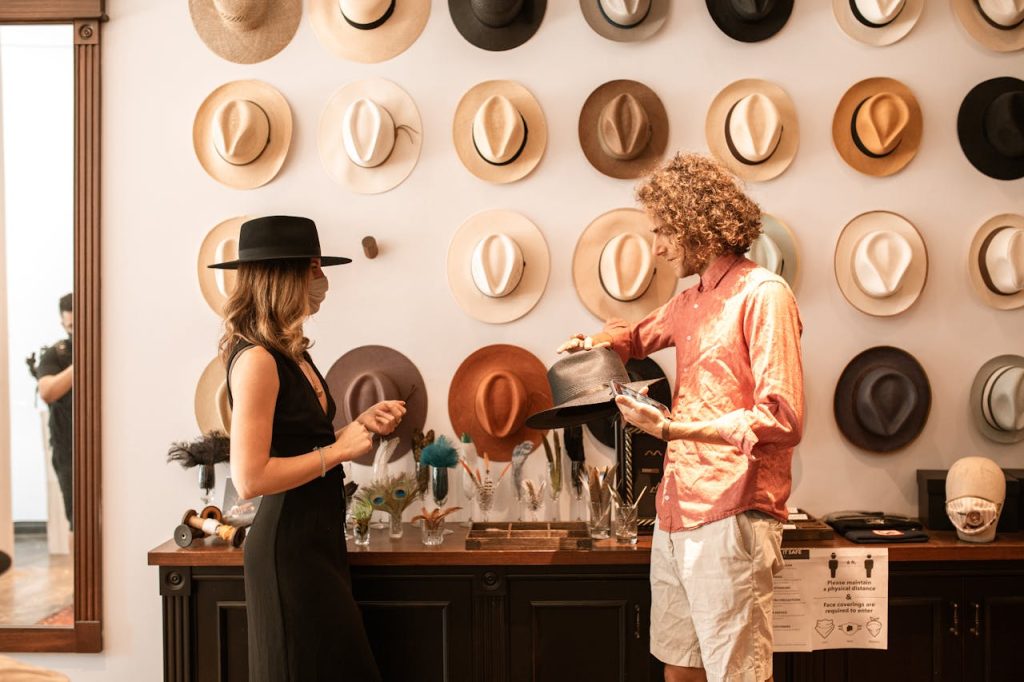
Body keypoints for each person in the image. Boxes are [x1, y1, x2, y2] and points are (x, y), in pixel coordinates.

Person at [559, 153, 805, 682]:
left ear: (699, 224)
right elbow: (635, 336)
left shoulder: (763, 295)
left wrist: (672, 429)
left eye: (664, 230)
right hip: (676, 511)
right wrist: (596, 342)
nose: (658, 248)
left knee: (736, 675)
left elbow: (782, 418)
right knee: (680, 669)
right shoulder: (691, 300)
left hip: (732, 512)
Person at [213, 215, 404, 682]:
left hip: (318, 543)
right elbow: (251, 478)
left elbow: (300, 439)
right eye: (314, 269)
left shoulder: (292, 350)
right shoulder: (257, 359)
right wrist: (337, 453)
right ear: (283, 277)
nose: (323, 282)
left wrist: (354, 427)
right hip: (287, 551)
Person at [37, 293, 74, 536]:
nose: (76, 331)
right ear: (63, 324)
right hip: (67, 448)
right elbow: (47, 391)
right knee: (77, 522)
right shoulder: (55, 355)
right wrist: (83, 361)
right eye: (71, 326)